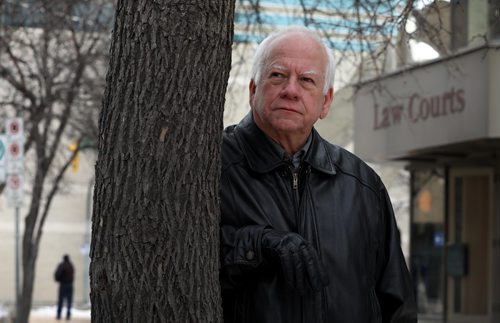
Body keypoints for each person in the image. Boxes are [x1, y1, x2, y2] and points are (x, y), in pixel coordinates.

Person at [219, 26, 417, 322]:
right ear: (252, 90)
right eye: (277, 75)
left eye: (307, 80)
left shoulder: (362, 186)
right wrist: (255, 246)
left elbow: (397, 305)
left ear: (325, 102)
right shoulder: (211, 169)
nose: (291, 90)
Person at [54, 254, 74, 320]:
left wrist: (59, 279)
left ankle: (59, 315)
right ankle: (68, 315)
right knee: (69, 301)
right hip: (70, 285)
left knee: (60, 301)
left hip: (63, 285)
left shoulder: (62, 265)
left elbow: (57, 275)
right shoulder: (71, 266)